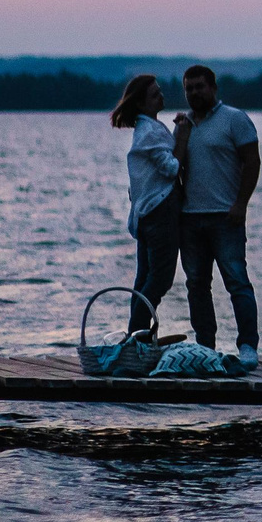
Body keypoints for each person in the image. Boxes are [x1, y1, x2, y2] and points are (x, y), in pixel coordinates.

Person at [173, 64, 262, 368]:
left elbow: (252, 162)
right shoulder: (184, 126)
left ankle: (248, 346)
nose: (194, 92)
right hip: (190, 218)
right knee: (196, 285)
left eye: (200, 86)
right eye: (189, 88)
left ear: (213, 88)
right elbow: (174, 168)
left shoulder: (234, 120)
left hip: (226, 217)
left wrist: (241, 204)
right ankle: (205, 348)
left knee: (237, 281)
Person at [110, 73, 181, 336]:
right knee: (160, 279)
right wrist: (183, 136)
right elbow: (171, 167)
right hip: (160, 213)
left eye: (159, 90)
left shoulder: (149, 128)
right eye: (154, 94)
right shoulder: (149, 132)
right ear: (141, 104)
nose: (161, 95)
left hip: (147, 214)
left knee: (144, 280)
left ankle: (136, 335)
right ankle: (137, 334)